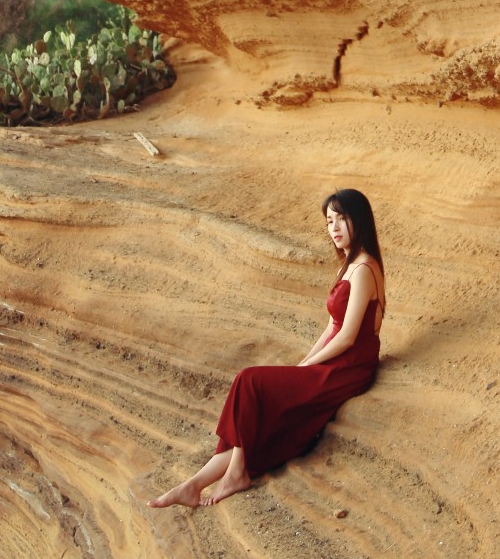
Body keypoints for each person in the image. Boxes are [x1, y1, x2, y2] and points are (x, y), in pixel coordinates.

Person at [150, 188, 385, 508]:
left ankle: (235, 474)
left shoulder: (365, 269)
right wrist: (303, 363)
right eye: (329, 221)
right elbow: (332, 325)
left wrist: (308, 368)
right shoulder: (349, 264)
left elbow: (346, 336)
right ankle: (194, 484)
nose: (334, 228)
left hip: (350, 367)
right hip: (337, 360)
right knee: (253, 402)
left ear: (359, 220)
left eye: (342, 219)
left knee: (249, 381)